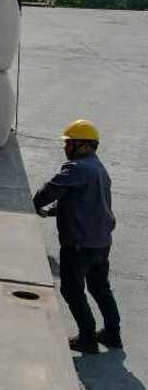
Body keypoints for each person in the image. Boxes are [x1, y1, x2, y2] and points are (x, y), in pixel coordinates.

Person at [33, 119, 121, 353]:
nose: (65, 147)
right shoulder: (99, 168)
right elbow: (85, 203)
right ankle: (112, 334)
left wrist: (31, 204)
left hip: (79, 244)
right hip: (101, 241)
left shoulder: (77, 168)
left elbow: (50, 190)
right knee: (100, 287)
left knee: (71, 290)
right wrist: (51, 212)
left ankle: (87, 337)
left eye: (69, 142)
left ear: (82, 145)